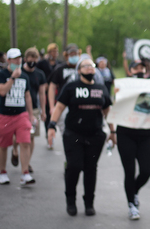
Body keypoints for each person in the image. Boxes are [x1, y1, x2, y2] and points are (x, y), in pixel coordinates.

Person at [47, 58, 114, 216]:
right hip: (74, 134)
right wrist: (51, 126)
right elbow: (59, 107)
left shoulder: (101, 88)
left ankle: (89, 202)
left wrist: (113, 131)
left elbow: (107, 112)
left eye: (92, 66)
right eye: (86, 66)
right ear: (79, 71)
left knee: (91, 169)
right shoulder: (71, 87)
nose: (90, 69)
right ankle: (70, 200)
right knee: (74, 167)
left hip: (95, 135)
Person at [114, 59, 150, 220]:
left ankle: (134, 190)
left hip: (145, 134)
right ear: (130, 71)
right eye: (136, 68)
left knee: (146, 171)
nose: (139, 70)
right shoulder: (123, 86)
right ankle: (131, 204)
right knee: (129, 171)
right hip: (126, 134)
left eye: (142, 68)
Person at [0, 48, 35, 186]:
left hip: (21, 115)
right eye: (15, 58)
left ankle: (25, 173)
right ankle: (2, 172)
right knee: (4, 145)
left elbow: (27, 95)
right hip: (5, 115)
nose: (18, 61)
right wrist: (12, 78)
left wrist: (30, 115)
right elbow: (2, 92)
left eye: (19, 58)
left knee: (25, 142)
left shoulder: (24, 76)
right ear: (9, 60)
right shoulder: (1, 74)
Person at [11, 48, 47, 173]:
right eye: (30, 58)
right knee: (17, 136)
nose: (33, 60)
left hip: (35, 110)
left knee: (31, 137)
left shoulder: (40, 74)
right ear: (26, 59)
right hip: (20, 108)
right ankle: (15, 150)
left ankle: (27, 162)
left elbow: (42, 94)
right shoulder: (19, 72)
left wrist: (43, 110)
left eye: (35, 58)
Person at [47, 43, 81, 146]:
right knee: (67, 133)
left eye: (76, 54)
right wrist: (52, 106)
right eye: (71, 54)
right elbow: (52, 87)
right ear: (66, 56)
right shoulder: (60, 69)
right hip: (64, 105)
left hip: (79, 105)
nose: (74, 56)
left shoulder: (83, 68)